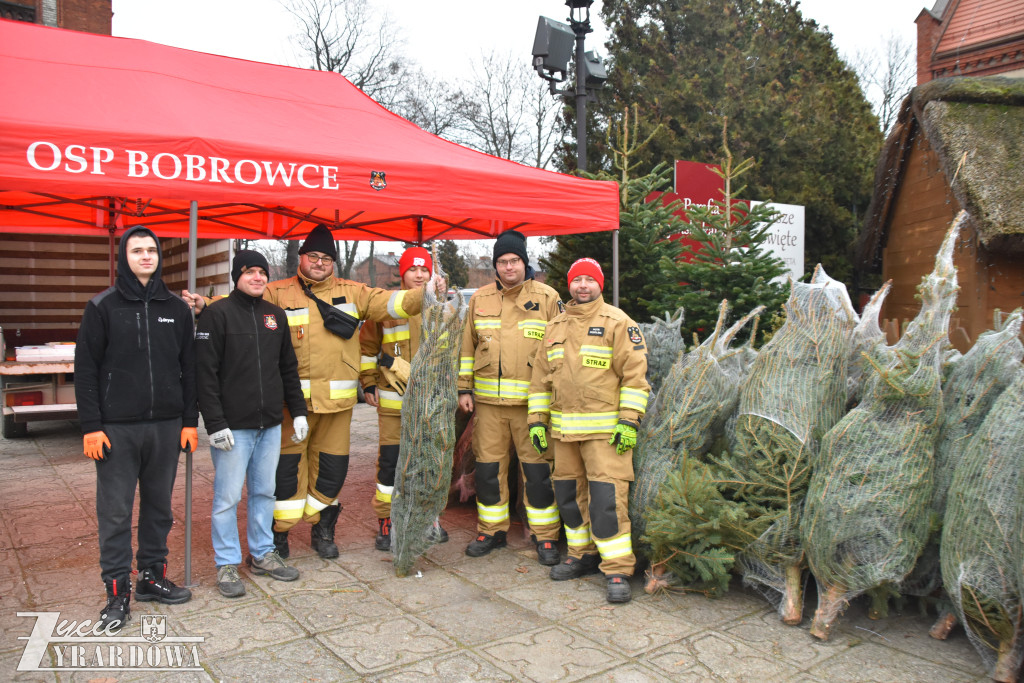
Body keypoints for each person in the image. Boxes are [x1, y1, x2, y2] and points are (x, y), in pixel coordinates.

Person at [185, 224, 439, 560]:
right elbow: (240, 300)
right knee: (285, 477)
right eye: (312, 256)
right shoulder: (278, 292)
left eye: (326, 258)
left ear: (333, 262)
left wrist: (427, 292)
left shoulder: (354, 292)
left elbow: (391, 303)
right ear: (301, 258)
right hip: (291, 409)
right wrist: (206, 303)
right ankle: (279, 536)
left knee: (331, 473)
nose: (319, 263)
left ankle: (323, 530)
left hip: (337, 407)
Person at [75, 225, 198, 632]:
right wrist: (92, 426)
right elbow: (86, 371)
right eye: (136, 250)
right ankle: (117, 593)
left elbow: (190, 370)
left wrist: (187, 421)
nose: (145, 256)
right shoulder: (103, 307)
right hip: (116, 430)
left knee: (159, 509)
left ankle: (150, 577)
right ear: (123, 257)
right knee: (115, 513)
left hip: (165, 428)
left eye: (151, 250)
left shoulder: (177, 309)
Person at [526, 257, 649, 603]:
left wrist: (629, 421)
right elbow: (539, 381)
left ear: (600, 284)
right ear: (569, 285)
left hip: (605, 436)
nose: (582, 286)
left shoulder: (618, 323)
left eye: (589, 280)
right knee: (569, 498)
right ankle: (581, 555)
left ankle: (617, 569)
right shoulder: (555, 327)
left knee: (607, 502)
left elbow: (636, 379)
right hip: (563, 435)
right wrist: (537, 421)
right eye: (576, 280)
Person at [195, 250, 309, 598]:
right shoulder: (216, 315)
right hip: (233, 428)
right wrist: (214, 424)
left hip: (270, 425)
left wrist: (299, 411)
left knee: (264, 493)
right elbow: (205, 375)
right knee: (227, 498)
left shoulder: (275, 316)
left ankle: (261, 554)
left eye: (262, 272)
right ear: (236, 276)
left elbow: (288, 368)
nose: (258, 277)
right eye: (250, 272)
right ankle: (227, 563)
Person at [457, 230, 563, 565]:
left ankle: (545, 536)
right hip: (488, 407)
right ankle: (492, 530)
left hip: (532, 409)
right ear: (496, 265)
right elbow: (467, 347)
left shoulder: (547, 298)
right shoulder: (480, 299)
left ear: (524, 261)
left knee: (537, 472)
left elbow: (560, 350)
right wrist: (464, 388)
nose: (508, 267)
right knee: (488, 471)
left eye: (514, 260)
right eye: (502, 262)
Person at [359, 247, 449, 550]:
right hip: (393, 404)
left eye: (425, 270)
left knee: (427, 464)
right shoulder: (387, 307)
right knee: (391, 465)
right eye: (413, 270)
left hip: (429, 405)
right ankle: (387, 520)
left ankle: (428, 518)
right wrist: (368, 383)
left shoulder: (441, 309)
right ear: (403, 273)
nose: (419, 275)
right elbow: (367, 349)